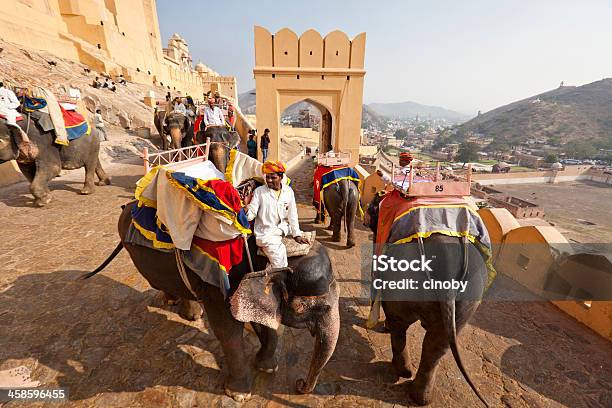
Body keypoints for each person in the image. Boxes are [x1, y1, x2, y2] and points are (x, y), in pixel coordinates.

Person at [245, 160, 309, 268]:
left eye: (273, 177)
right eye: (267, 177)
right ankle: (277, 282)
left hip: (283, 228)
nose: (269, 180)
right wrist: (246, 212)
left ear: (281, 177)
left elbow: (292, 214)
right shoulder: (260, 192)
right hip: (267, 233)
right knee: (279, 260)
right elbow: (252, 212)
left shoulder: (288, 191)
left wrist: (296, 234)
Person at [0, 81, 36, 158]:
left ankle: (16, 129)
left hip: (7, 110)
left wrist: (6, 106)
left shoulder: (7, 92)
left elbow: (16, 103)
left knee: (10, 118)